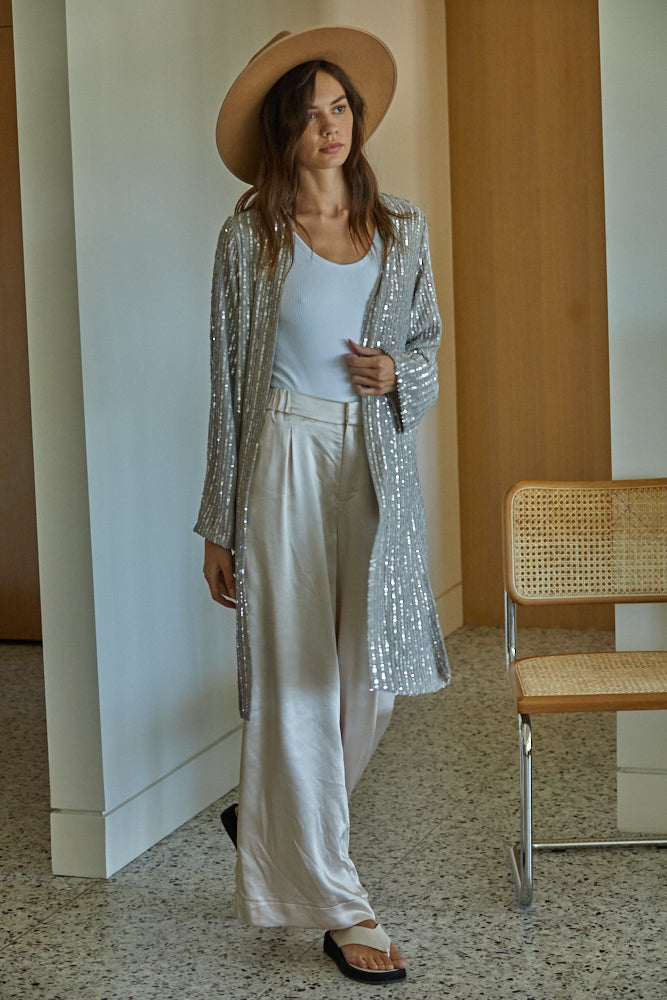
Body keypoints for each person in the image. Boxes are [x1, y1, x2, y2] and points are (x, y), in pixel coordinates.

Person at [194, 25, 449, 985]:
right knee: (297, 678)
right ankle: (344, 907)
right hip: (283, 457)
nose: (328, 127)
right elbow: (227, 385)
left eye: (338, 108)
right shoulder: (248, 239)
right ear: (283, 132)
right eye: (307, 115)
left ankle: (270, 818)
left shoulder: (401, 227)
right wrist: (219, 522)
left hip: (373, 460)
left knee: (371, 677)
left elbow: (426, 341)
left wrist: (398, 376)